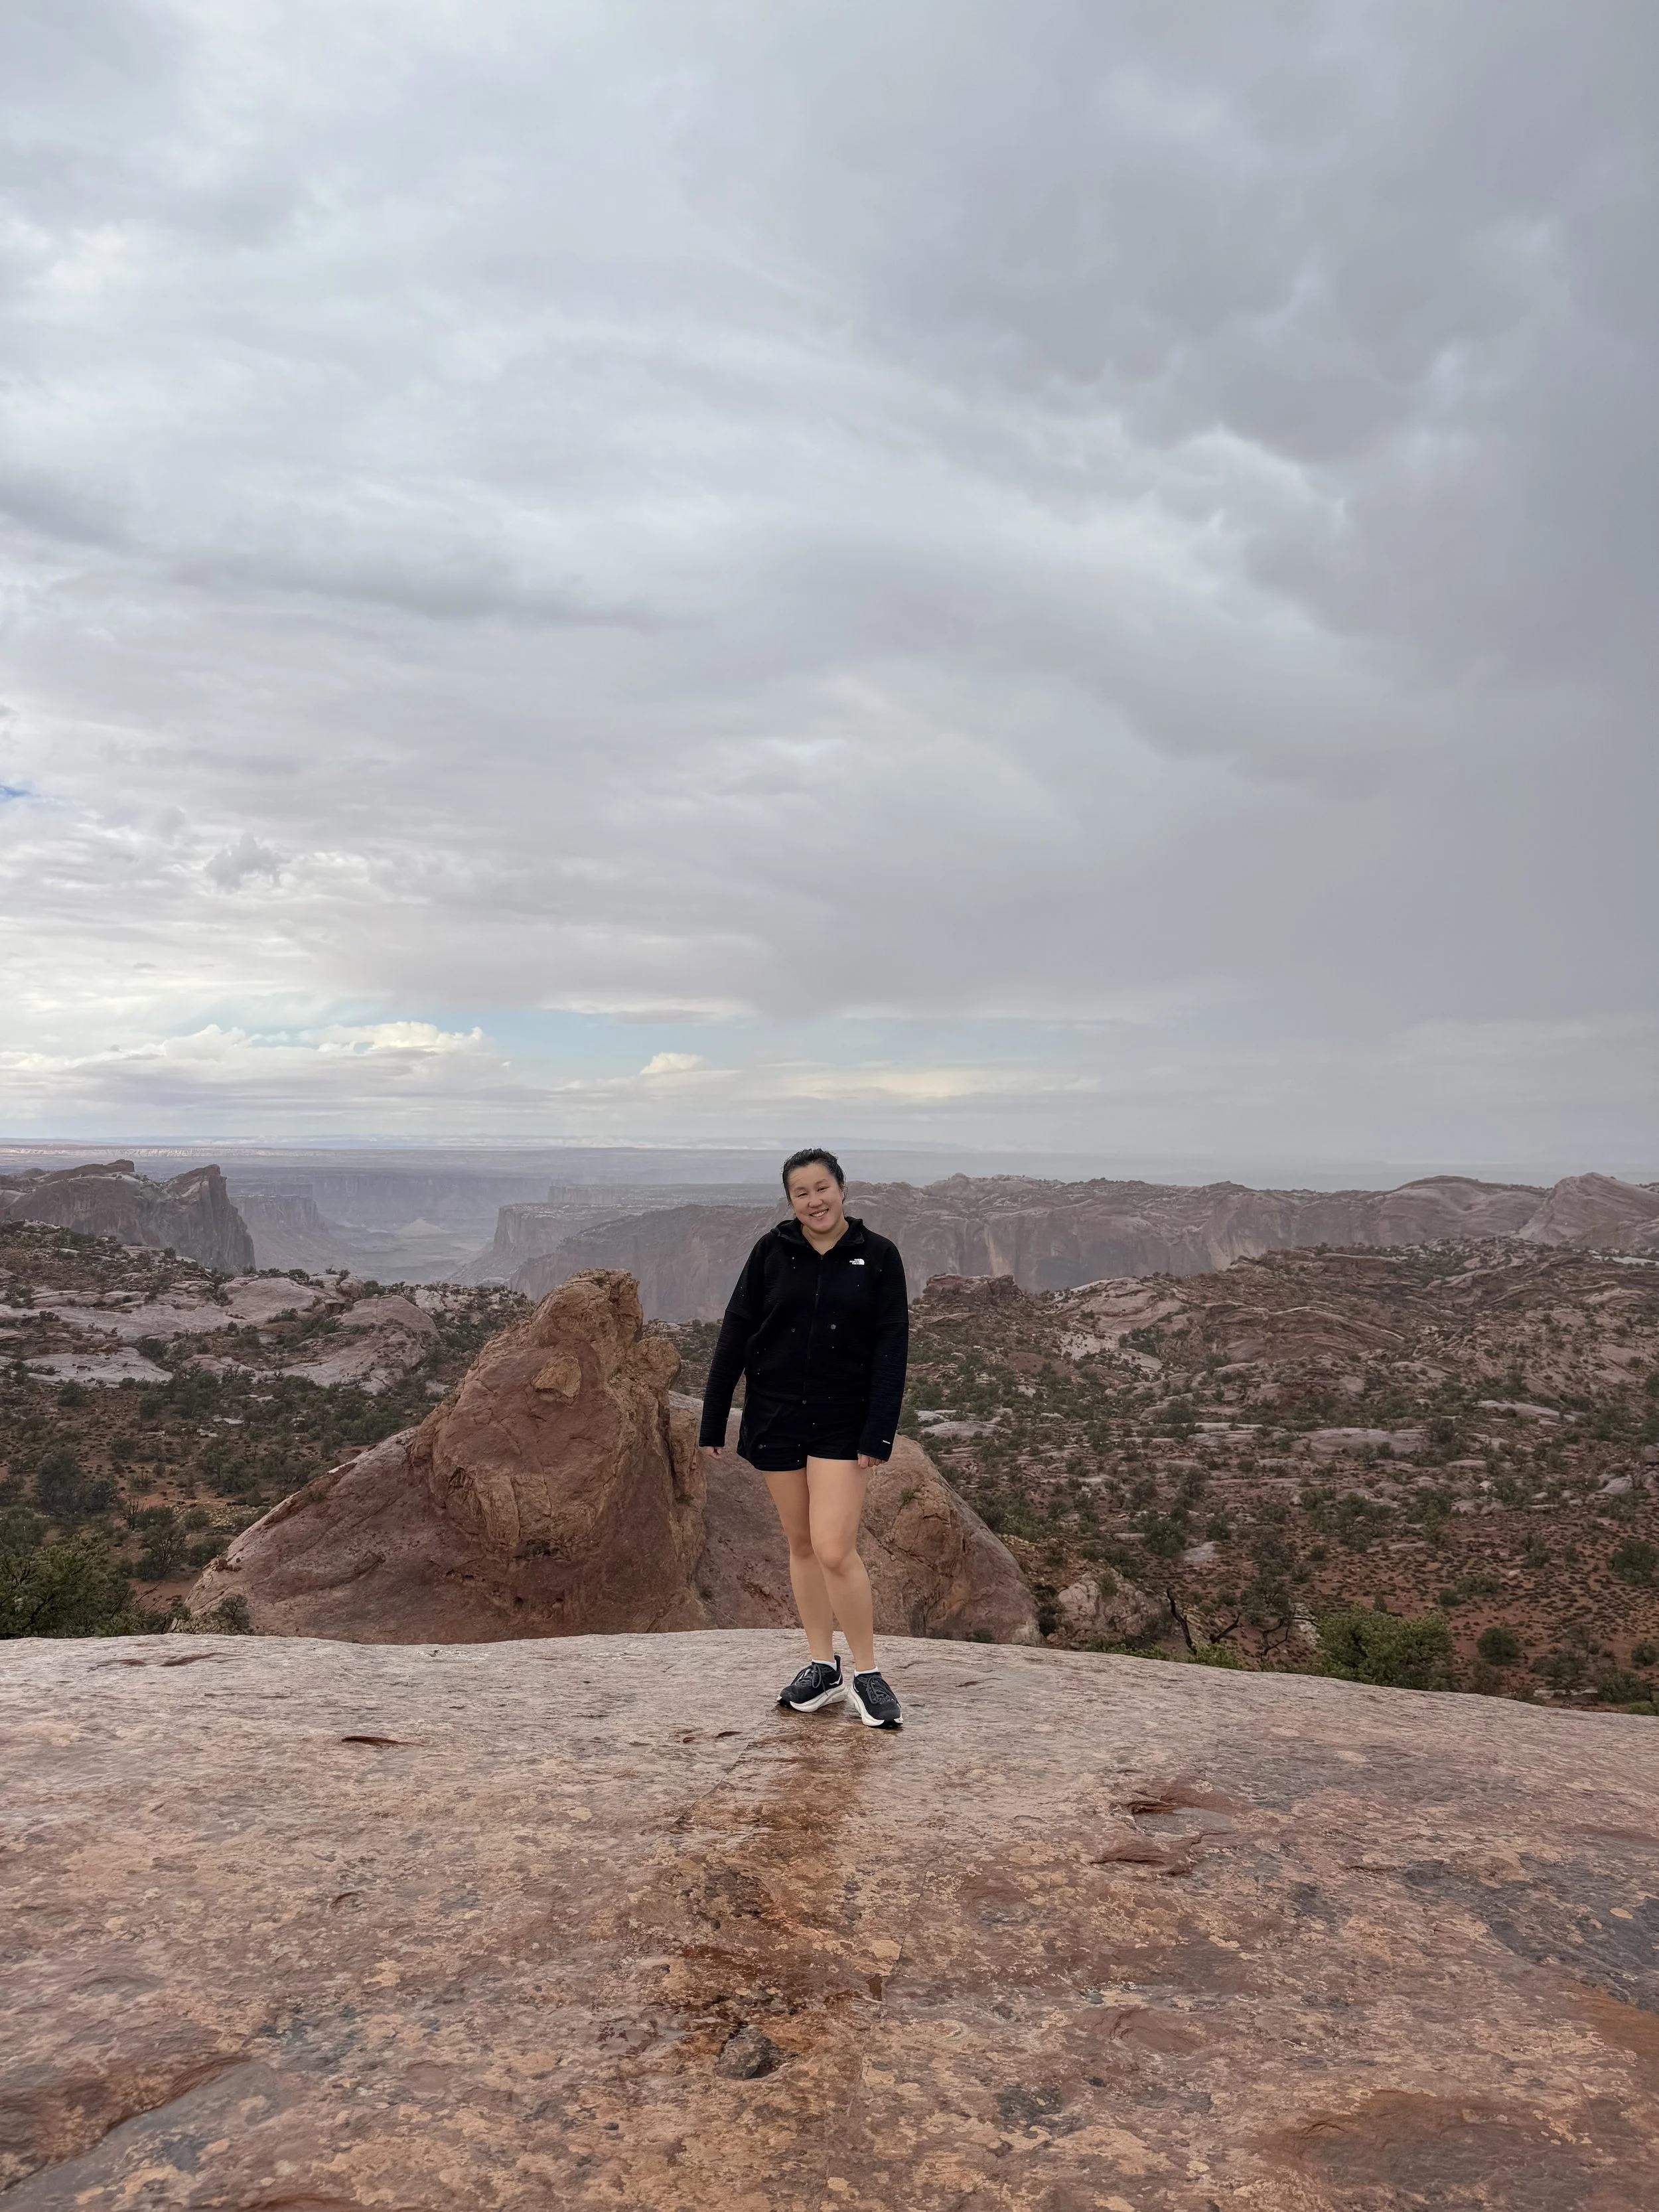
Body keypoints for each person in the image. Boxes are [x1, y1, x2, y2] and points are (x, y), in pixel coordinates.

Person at [699, 1147, 908, 1728]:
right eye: (801, 1193)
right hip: (776, 1414)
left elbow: (893, 1348)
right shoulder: (771, 1252)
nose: (814, 1201)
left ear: (842, 1188)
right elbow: (736, 1331)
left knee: (835, 1546)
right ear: (790, 1200)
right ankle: (823, 1665)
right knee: (801, 1543)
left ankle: (867, 1673)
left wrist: (878, 1432)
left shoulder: (880, 1256)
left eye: (823, 1188)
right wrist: (714, 1417)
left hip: (844, 1419)